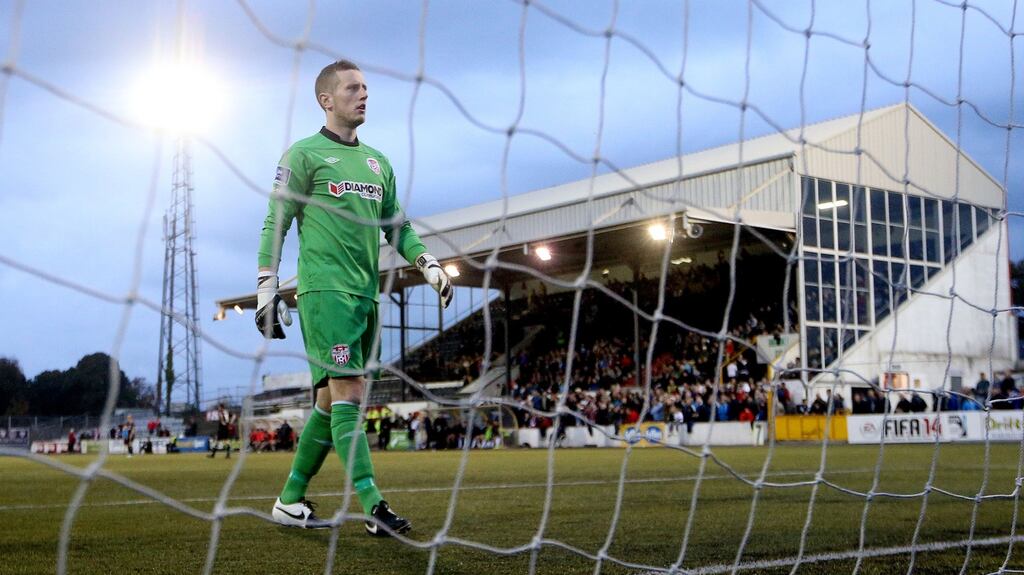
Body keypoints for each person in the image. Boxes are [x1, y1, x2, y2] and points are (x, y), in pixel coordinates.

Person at [258, 60, 452, 535]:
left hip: (366, 296)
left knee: (330, 402)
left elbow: (396, 225)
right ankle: (374, 506)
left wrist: (425, 261)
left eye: (365, 87)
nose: (363, 94)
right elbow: (275, 222)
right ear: (327, 99)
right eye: (352, 88)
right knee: (351, 391)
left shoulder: (378, 162)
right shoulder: (302, 156)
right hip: (325, 292)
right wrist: (267, 284)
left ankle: (289, 500)